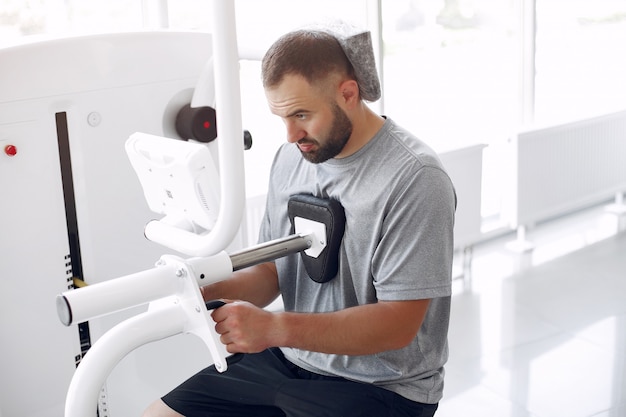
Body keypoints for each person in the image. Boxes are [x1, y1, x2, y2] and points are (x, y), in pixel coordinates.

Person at [143, 22, 456, 417]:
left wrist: (273, 328)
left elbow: (397, 325)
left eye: (302, 114)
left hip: (383, 386)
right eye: (282, 118)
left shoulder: (415, 179)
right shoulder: (292, 159)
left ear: (348, 93)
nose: (291, 134)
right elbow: (274, 273)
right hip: (291, 360)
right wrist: (205, 291)